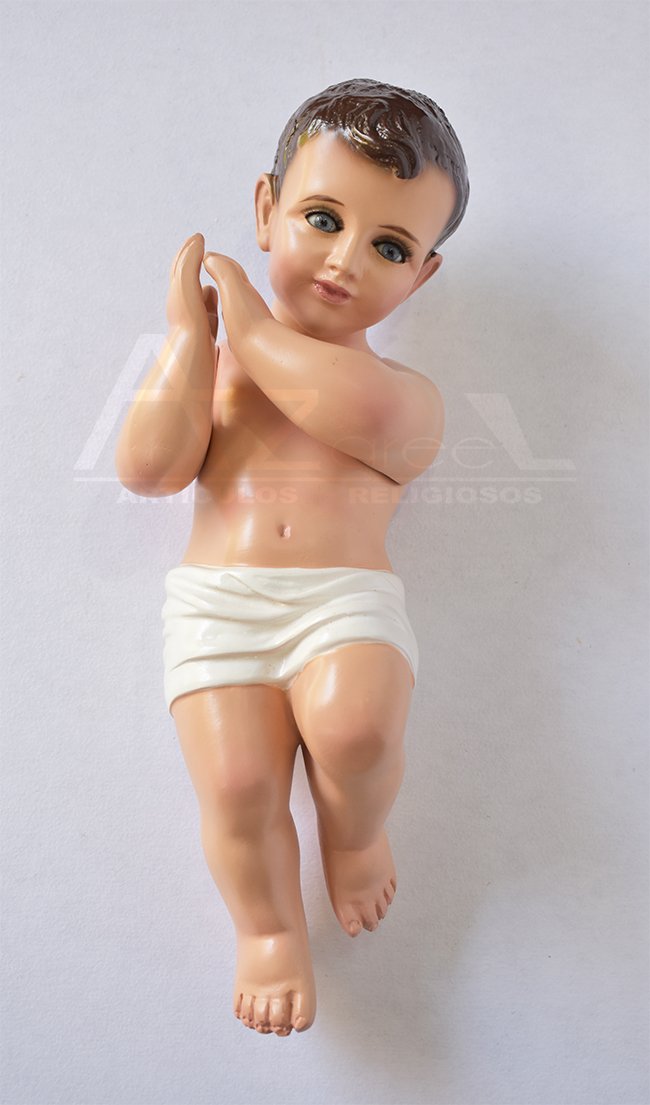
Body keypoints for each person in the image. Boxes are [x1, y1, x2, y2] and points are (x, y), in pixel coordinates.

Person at [115, 78, 470, 1037]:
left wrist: (249, 322)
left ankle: (355, 837)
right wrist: (189, 340)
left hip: (341, 601)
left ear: (422, 276)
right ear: (267, 208)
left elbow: (333, 402)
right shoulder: (217, 365)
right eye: (323, 218)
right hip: (218, 603)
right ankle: (269, 930)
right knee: (236, 788)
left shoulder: (400, 396)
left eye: (390, 247)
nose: (346, 259)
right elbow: (149, 469)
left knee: (357, 732)